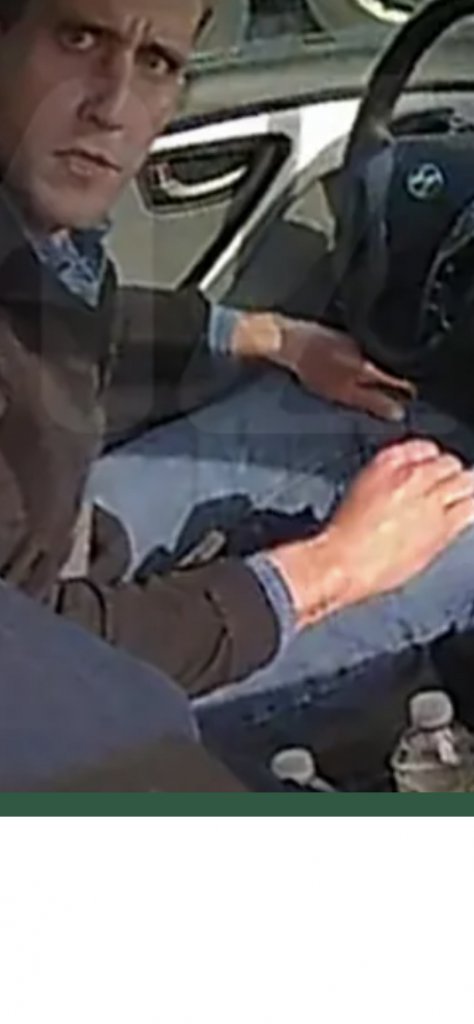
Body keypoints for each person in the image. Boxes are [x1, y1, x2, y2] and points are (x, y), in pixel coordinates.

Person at [1, 0, 474, 702]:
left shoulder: (31, 244)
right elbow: (30, 671)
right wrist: (333, 568)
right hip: (62, 707)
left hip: (61, 549)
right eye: (79, 37)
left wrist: (274, 338)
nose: (113, 105)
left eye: (156, 61)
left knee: (329, 410)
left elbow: (73, 321)